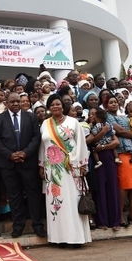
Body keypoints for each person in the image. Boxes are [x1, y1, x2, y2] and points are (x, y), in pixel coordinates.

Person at [39, 94, 91, 247]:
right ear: (49, 107)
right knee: (57, 203)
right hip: (53, 169)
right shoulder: (44, 124)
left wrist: (81, 164)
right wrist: (41, 164)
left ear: (63, 106)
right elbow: (43, 146)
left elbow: (81, 143)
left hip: (70, 167)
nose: (56, 106)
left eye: (58, 104)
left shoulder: (73, 122)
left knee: (72, 201)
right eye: (52, 104)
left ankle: (76, 238)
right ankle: (59, 238)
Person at [0, 92, 45, 238]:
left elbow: (36, 137)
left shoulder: (31, 117)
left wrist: (25, 153)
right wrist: (10, 155)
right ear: (7, 103)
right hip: (7, 164)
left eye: (18, 101)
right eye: (12, 102)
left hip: (28, 163)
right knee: (14, 196)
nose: (16, 104)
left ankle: (38, 225)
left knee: (33, 195)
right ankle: (18, 227)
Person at [105, 96, 132, 227]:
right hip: (121, 151)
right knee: (124, 185)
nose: (114, 104)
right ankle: (120, 214)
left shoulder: (125, 116)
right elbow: (120, 131)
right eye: (110, 102)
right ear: (106, 105)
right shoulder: (108, 117)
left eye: (115, 102)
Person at [86, 108, 122, 231]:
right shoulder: (89, 127)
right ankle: (102, 221)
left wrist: (103, 146)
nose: (91, 116)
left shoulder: (108, 125)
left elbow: (116, 142)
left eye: (93, 114)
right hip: (97, 159)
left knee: (112, 187)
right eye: (90, 114)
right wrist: (102, 133)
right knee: (100, 189)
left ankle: (115, 221)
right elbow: (89, 141)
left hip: (109, 156)